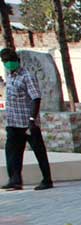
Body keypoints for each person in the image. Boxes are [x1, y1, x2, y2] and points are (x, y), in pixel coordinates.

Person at [1, 48, 53, 191]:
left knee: (39, 151)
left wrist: (32, 119)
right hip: (13, 122)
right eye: (5, 61)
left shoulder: (26, 76)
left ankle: (47, 180)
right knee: (12, 153)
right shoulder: (10, 76)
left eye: (10, 61)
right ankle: (15, 180)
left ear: (17, 61)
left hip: (27, 122)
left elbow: (36, 98)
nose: (8, 64)